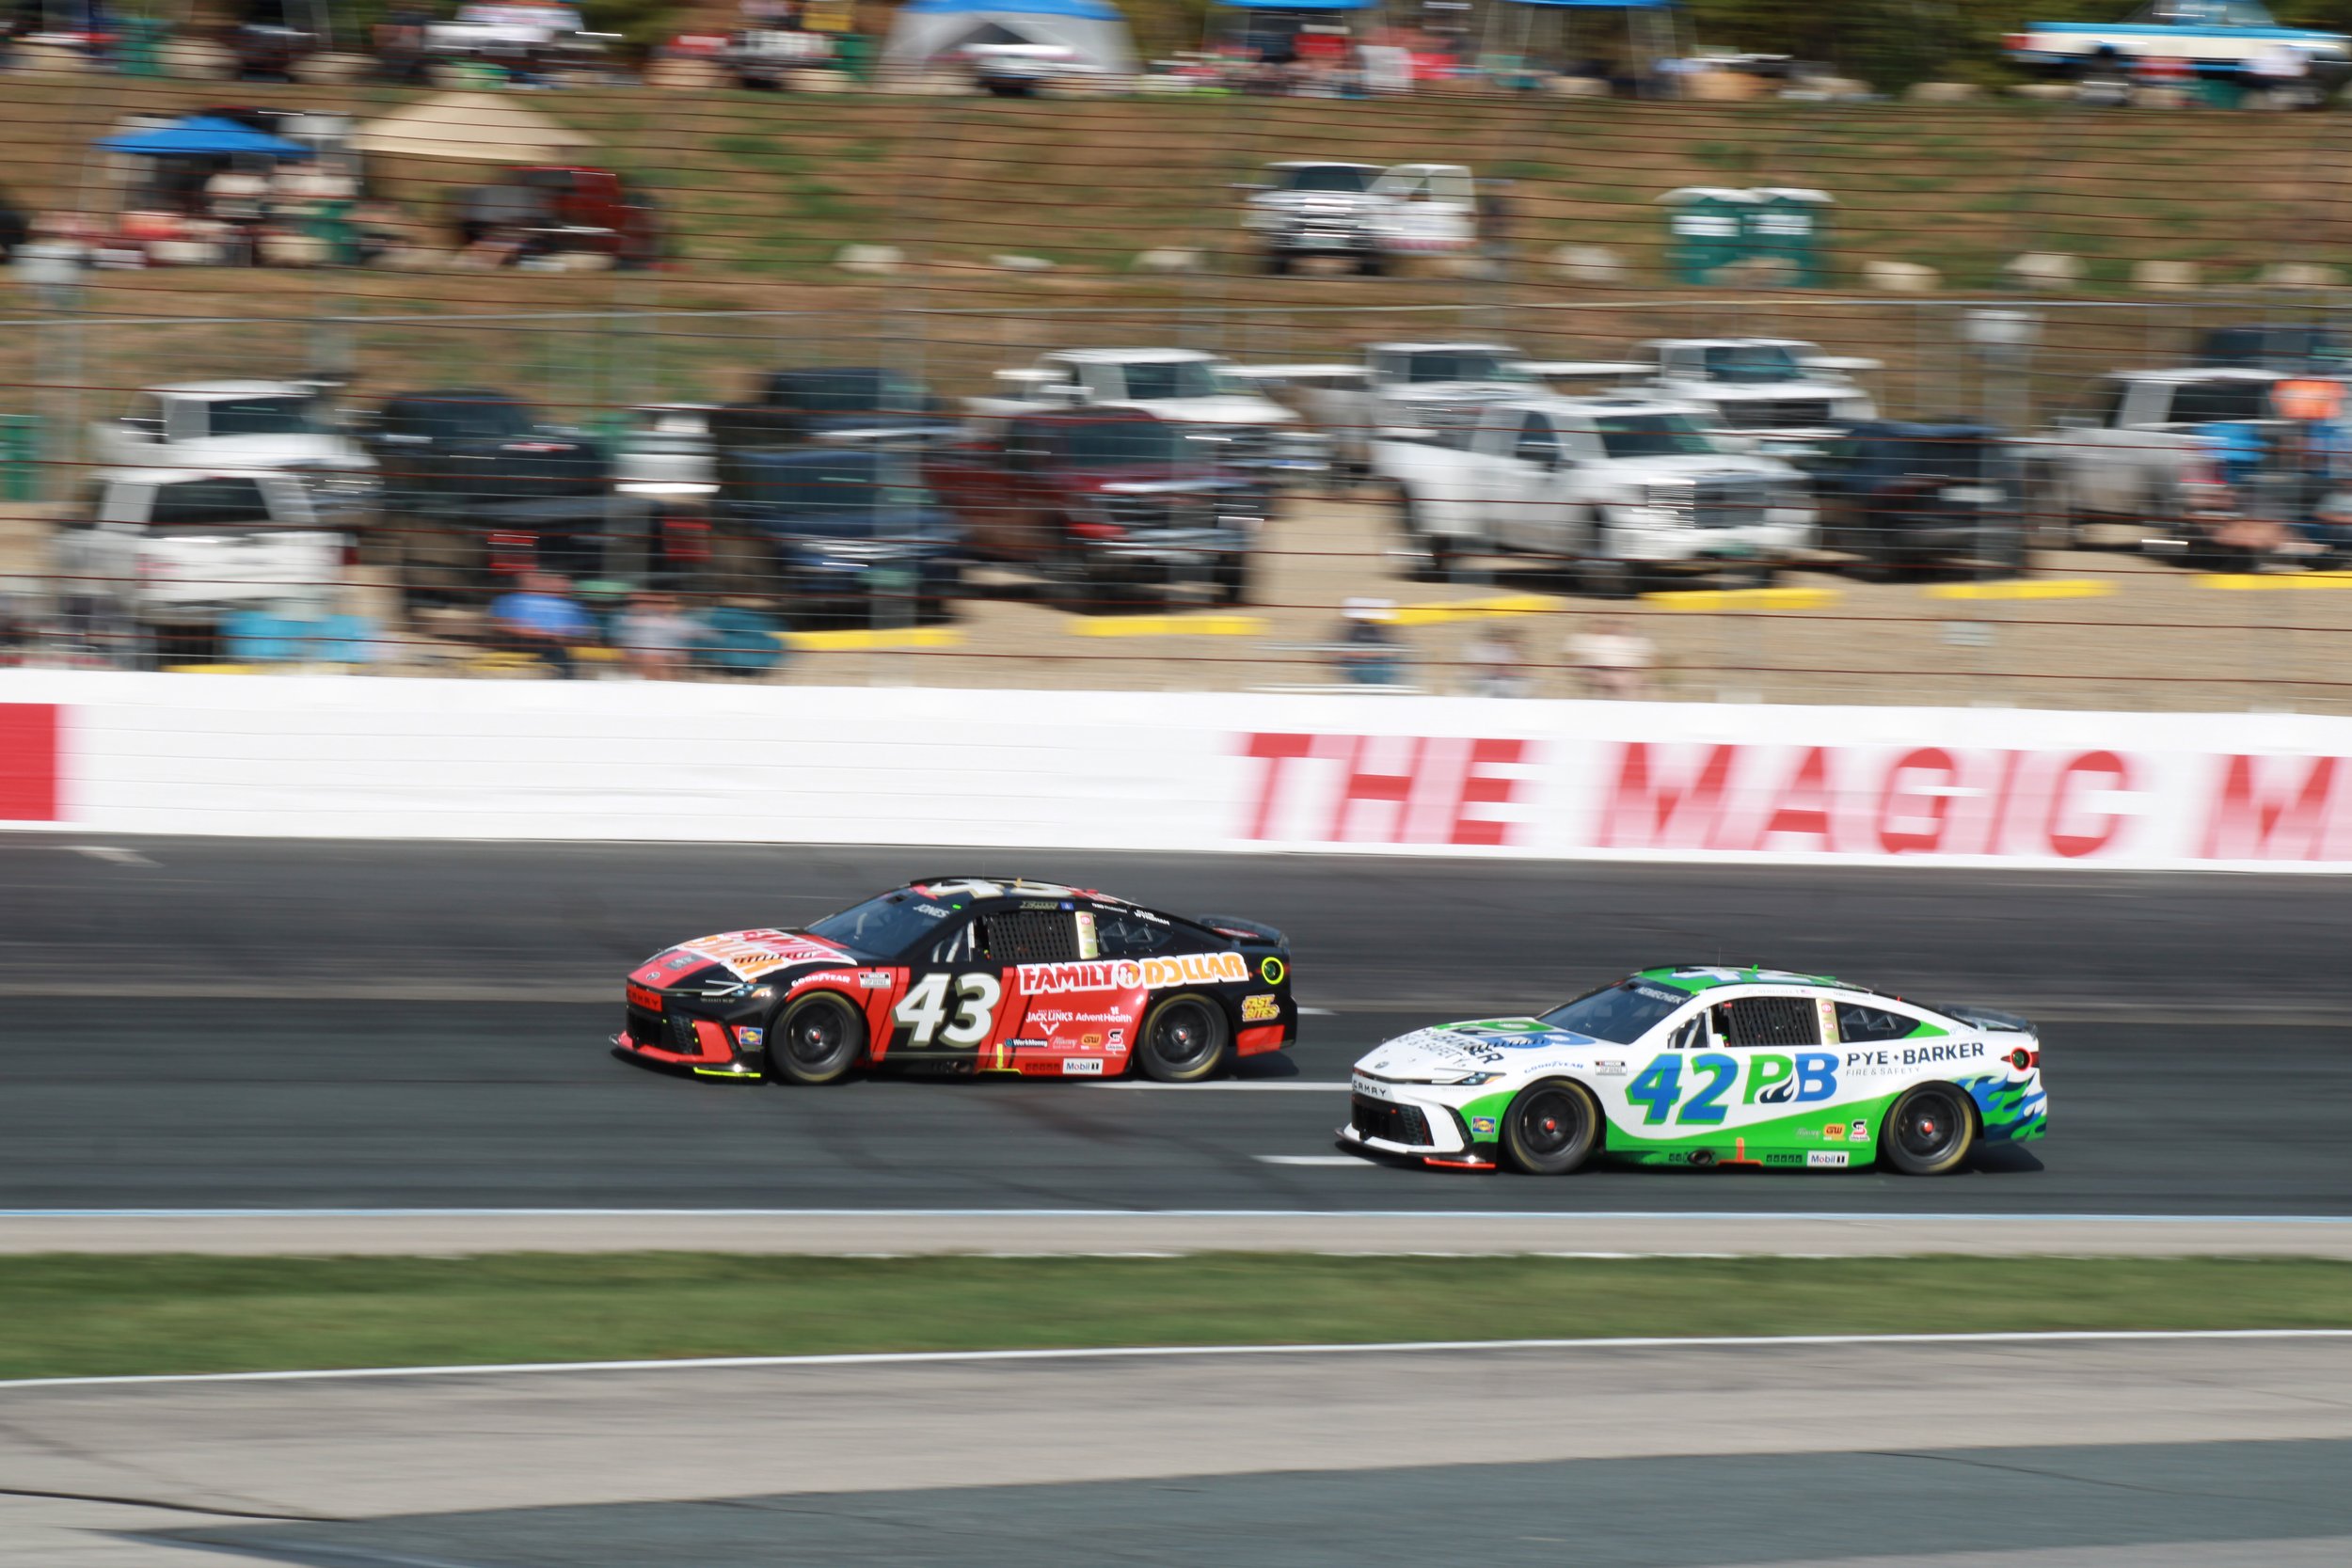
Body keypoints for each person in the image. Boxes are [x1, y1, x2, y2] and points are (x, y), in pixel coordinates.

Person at [489, 570, 596, 677]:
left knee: (560, 654)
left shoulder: (574, 606)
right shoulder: (509, 600)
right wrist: (524, 630)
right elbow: (497, 624)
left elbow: (588, 632)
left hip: (557, 646)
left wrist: (567, 633)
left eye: (565, 580)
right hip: (522, 642)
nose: (568, 585)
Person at [615, 590, 706, 680]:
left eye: (670, 603)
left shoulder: (681, 623)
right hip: (649, 663)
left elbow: (705, 633)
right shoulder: (631, 621)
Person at [1567, 615, 1651, 698]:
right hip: (1602, 674)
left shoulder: (1641, 641)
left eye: (1629, 624)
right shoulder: (1607, 639)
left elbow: (1650, 660)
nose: (1625, 627)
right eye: (1622, 623)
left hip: (1627, 676)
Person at [1334, 596, 1404, 686]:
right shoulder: (1361, 630)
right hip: (1369, 667)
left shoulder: (1362, 630)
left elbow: (1392, 652)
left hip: (1373, 667)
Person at [1462, 624, 1527, 697]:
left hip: (1497, 681)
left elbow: (1515, 665)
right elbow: (1475, 668)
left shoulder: (1504, 648)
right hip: (1482, 681)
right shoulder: (1476, 648)